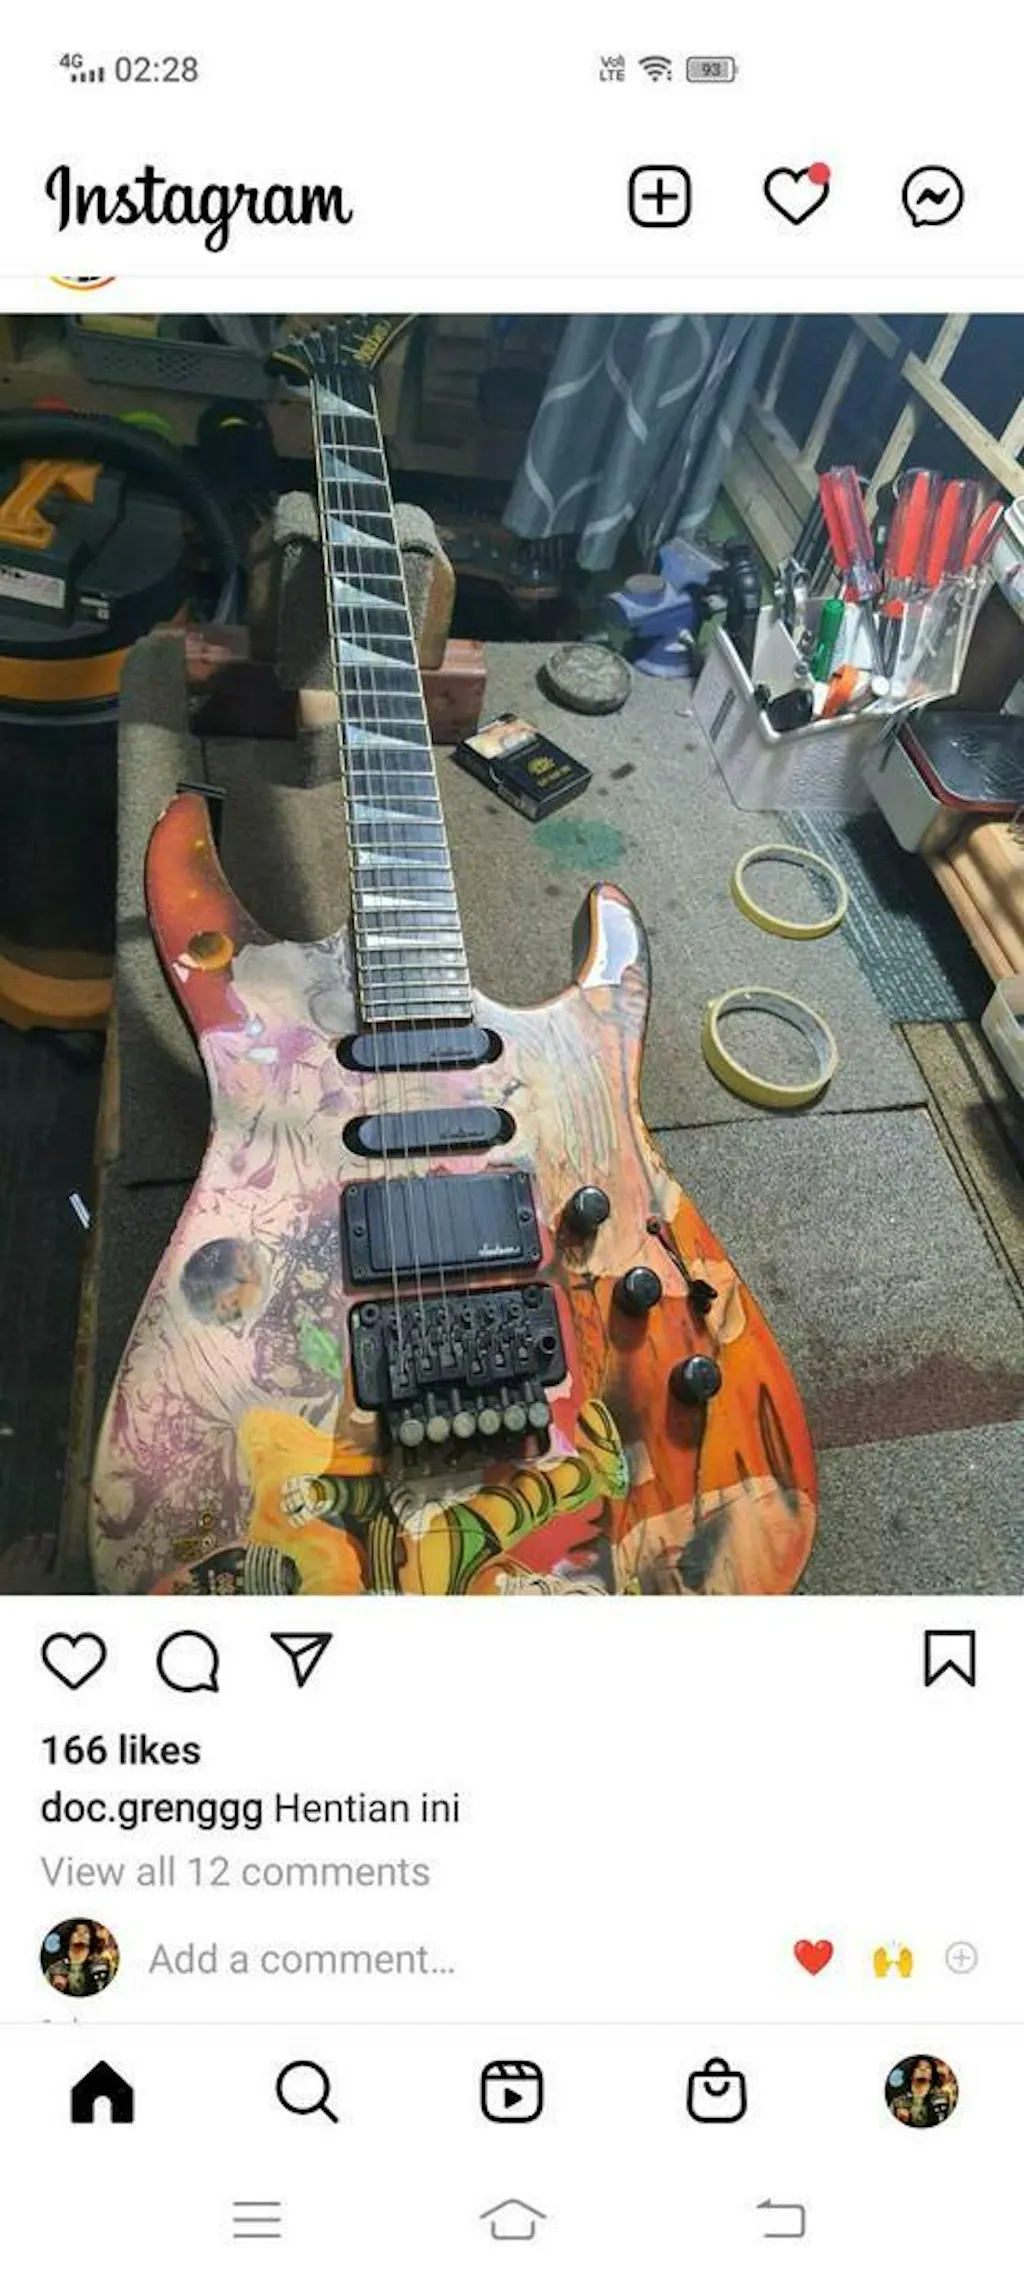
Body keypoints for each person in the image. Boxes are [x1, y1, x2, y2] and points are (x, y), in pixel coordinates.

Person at [888, 2055, 955, 2128]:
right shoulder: (898, 2102)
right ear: (911, 2073)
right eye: (918, 2067)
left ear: (932, 2074)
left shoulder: (944, 2098)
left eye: (928, 2067)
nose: (923, 2069)